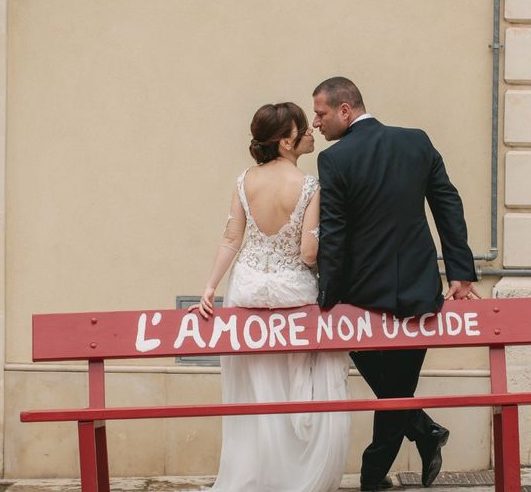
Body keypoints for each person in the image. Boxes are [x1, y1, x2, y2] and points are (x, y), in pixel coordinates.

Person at [312, 77, 479, 492]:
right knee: (398, 389)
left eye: (321, 113)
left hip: (359, 299)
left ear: (346, 110)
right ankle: (416, 438)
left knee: (393, 391)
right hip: (419, 291)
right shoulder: (417, 141)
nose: (316, 122)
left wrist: (326, 297)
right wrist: (459, 272)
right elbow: (447, 204)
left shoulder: (334, 160)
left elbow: (333, 232)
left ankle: (382, 470)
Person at [191, 102, 349, 492]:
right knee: (298, 387)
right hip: (293, 294)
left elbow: (232, 239)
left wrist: (210, 287)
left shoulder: (244, 181)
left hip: (246, 292)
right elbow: (309, 255)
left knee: (257, 391)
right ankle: (294, 477)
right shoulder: (310, 186)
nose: (311, 131)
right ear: (286, 140)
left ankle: (257, 475)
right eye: (303, 128)